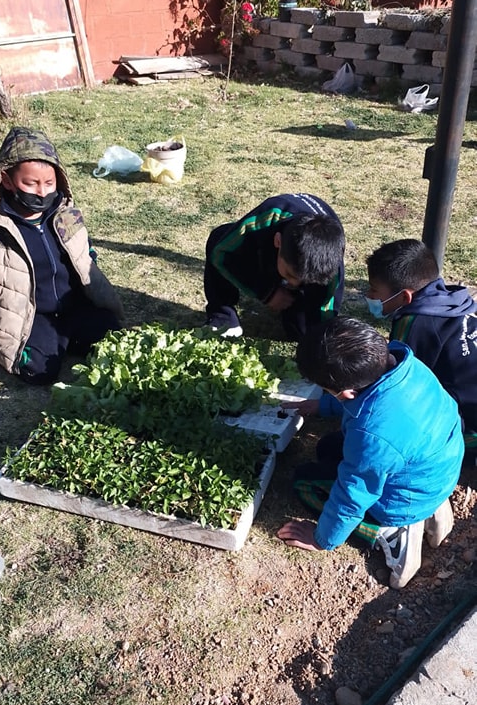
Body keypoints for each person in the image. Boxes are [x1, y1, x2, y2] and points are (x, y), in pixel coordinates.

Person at [277, 317, 464, 589]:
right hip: (436, 466)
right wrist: (323, 406)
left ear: (347, 391)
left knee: (304, 481)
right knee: (327, 447)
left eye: (329, 391)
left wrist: (321, 539)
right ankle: (431, 504)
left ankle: (391, 531)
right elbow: (362, 397)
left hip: (406, 495)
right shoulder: (403, 364)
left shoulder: (372, 434)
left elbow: (353, 494)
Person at [0, 127, 124, 385]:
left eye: (49, 183)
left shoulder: (67, 214)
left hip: (74, 305)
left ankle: (64, 339)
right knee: (38, 372)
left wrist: (90, 278)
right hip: (32, 315)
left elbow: (85, 250)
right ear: (6, 180)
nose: (42, 192)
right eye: (30, 183)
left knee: (115, 344)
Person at [366, 238, 477, 467]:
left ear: (405, 297)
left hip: (469, 420)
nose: (369, 295)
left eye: (374, 290)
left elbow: (396, 381)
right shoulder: (453, 301)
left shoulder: (416, 323)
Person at [203, 193, 345, 341]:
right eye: (290, 275)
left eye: (300, 281)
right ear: (278, 241)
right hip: (265, 254)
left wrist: (320, 339)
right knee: (219, 237)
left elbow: (326, 308)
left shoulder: (331, 264)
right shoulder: (267, 218)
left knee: (302, 331)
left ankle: (296, 296)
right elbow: (221, 253)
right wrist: (266, 292)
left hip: (307, 270)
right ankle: (223, 317)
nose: (293, 283)